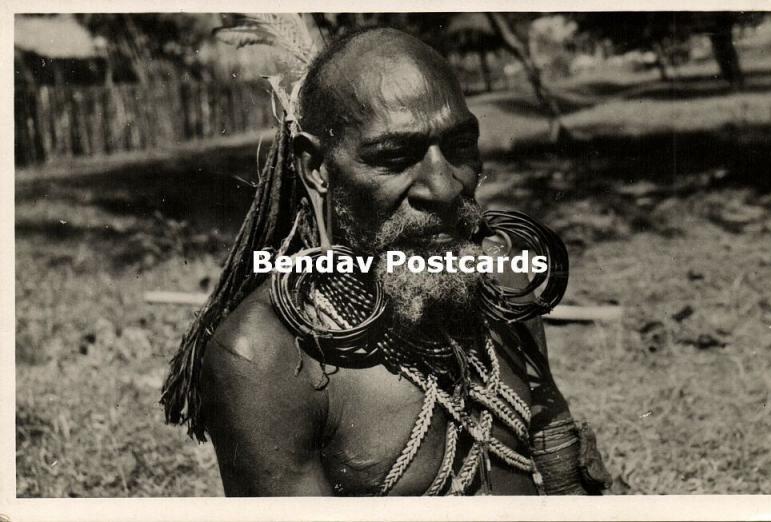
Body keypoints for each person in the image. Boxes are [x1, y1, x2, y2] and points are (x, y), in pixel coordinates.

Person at [162, 27, 610, 496]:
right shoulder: (268, 356)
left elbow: (553, 443)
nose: (444, 187)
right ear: (317, 168)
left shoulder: (500, 272)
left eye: (459, 147)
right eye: (395, 157)